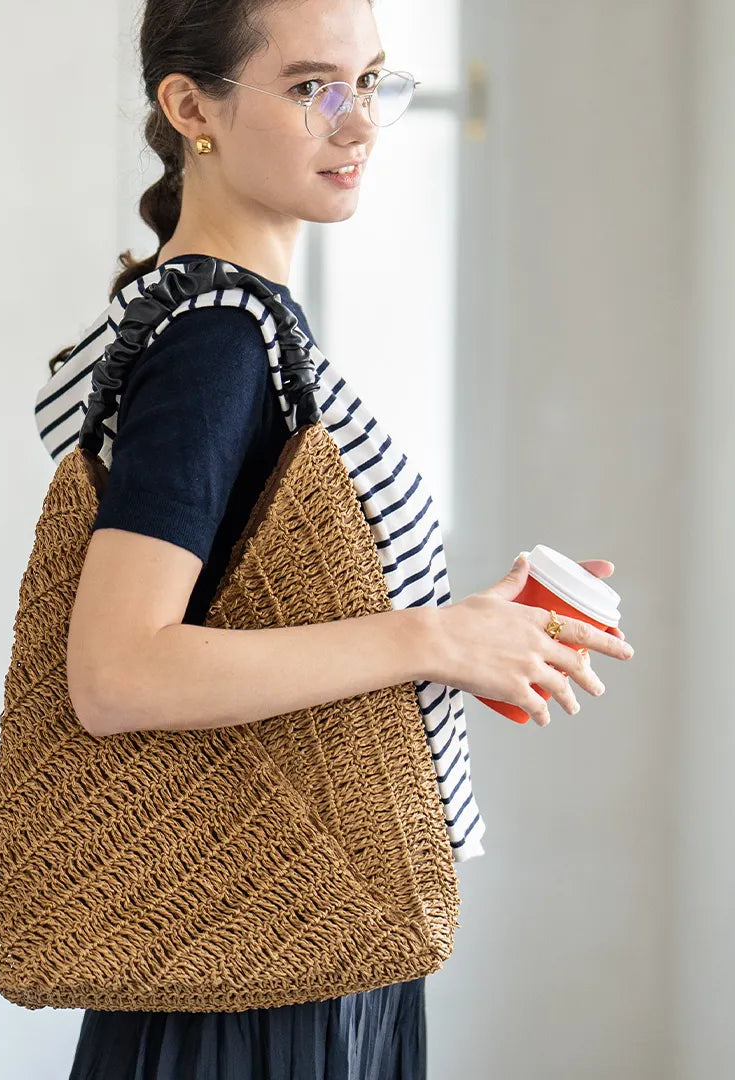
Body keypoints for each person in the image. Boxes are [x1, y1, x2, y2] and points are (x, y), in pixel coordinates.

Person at [48, 0, 633, 1076]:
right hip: (272, 951)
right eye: (316, 86)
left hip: (274, 928)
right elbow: (117, 671)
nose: (358, 124)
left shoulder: (228, 325)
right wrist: (432, 640)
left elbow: (253, 607)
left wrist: (474, 627)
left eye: (371, 83)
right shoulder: (220, 340)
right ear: (192, 107)